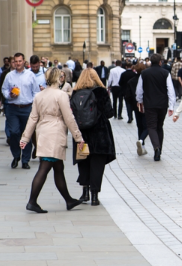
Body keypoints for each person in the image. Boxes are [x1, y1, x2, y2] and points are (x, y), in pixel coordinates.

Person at [18, 68, 85, 213]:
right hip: (55, 132)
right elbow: (69, 118)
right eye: (61, 76)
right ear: (57, 78)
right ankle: (32, 201)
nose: (62, 78)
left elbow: (33, 118)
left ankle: (68, 200)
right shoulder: (61, 95)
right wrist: (78, 137)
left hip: (43, 132)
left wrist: (25, 138)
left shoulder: (39, 96)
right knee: (45, 167)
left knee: (58, 168)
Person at [71, 69, 117, 206]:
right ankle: (95, 196)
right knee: (97, 164)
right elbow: (109, 113)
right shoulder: (101, 92)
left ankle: (84, 192)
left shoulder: (75, 92)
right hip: (99, 133)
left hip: (81, 134)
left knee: (83, 162)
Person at [1, 53, 41, 169]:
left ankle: (25, 160)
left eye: (20, 61)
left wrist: (33, 104)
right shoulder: (9, 76)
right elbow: (3, 89)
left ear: (24, 61)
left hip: (27, 108)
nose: (18, 63)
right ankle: (16, 155)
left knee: (26, 134)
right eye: (16, 61)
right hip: (13, 108)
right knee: (13, 132)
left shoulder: (30, 75)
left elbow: (36, 92)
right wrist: (9, 95)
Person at [136, 54, 176, 161]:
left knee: (151, 127)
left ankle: (156, 148)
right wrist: (171, 106)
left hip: (149, 104)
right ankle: (159, 150)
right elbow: (170, 91)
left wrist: (140, 101)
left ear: (150, 62)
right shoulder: (165, 73)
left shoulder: (144, 73)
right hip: (162, 104)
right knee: (159, 126)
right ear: (160, 62)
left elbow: (139, 90)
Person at [127, 63, 149, 155]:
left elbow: (128, 96)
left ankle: (142, 145)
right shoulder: (146, 80)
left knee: (139, 126)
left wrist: (132, 105)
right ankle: (141, 140)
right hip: (146, 105)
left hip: (136, 106)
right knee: (147, 126)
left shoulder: (131, 81)